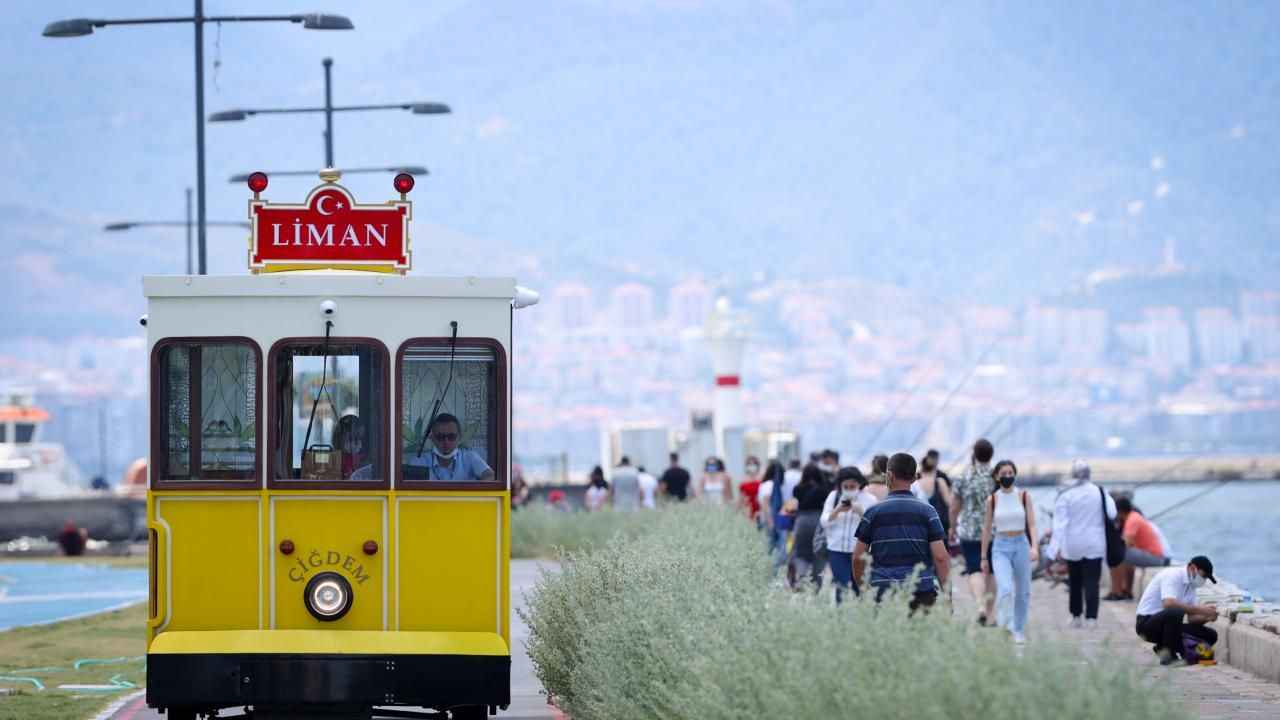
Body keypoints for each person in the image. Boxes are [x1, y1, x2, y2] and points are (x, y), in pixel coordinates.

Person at [852, 453, 950, 613]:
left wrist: (863, 589)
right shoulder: (928, 512)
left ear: (889, 476)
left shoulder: (872, 512)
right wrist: (947, 596)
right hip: (921, 589)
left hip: (883, 590)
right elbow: (940, 557)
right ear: (914, 478)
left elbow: (857, 557)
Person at [1047, 460, 1117, 628]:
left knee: (1075, 581)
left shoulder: (1066, 495)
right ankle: (1092, 618)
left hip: (1073, 545)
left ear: (1072, 474)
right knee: (1092, 581)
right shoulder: (1100, 492)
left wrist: (1052, 550)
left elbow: (1059, 524)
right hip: (1095, 543)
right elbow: (1112, 513)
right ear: (1089, 474)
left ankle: (1076, 616)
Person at [980, 460, 1038, 644]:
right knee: (1005, 587)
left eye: (1010, 473)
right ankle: (1007, 625)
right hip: (1000, 546)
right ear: (997, 477)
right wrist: (983, 557)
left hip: (1021, 544)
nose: (1007, 476)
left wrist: (1034, 547)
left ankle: (1018, 629)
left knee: (1023, 591)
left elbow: (1032, 524)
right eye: (1003, 473)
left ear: (1015, 474)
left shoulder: (1024, 496)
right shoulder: (992, 500)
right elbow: (986, 529)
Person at [1135, 556, 1220, 665]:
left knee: (1211, 635)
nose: (1203, 580)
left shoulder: (1191, 586)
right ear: (1192, 568)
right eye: (1203, 576)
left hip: (1169, 628)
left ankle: (1163, 647)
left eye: (1206, 578)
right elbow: (1168, 603)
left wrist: (1207, 617)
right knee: (1175, 611)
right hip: (1147, 624)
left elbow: (1192, 619)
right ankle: (1168, 656)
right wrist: (1201, 609)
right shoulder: (1173, 575)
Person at [950, 438, 997, 625]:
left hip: (969, 530)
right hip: (994, 530)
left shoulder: (964, 476)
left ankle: (980, 606)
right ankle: (990, 614)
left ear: (974, 454)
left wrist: (952, 527)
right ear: (991, 455)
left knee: (974, 569)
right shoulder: (996, 476)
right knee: (991, 571)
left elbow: (954, 506)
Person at [822, 467, 871, 603]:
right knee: (841, 585)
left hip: (859, 551)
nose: (849, 489)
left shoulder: (869, 499)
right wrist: (837, 510)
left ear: (859, 484)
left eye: (852, 486)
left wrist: (861, 512)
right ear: (840, 485)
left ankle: (859, 613)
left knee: (859, 587)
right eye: (845, 486)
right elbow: (824, 521)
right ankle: (840, 613)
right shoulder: (834, 497)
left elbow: (875, 526)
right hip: (836, 549)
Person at [1106, 497, 1171, 601]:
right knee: (1125, 556)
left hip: (1157, 558)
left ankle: (1117, 591)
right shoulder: (1134, 517)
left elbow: (1126, 543)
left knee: (1118, 553)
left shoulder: (1132, 520)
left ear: (1119, 511)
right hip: (1157, 557)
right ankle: (1126, 591)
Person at [411, 413, 494, 482]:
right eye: (440, 437)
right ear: (432, 438)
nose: (446, 442)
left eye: (451, 437)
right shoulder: (420, 461)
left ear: (459, 437)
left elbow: (489, 475)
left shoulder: (469, 457)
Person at [790, 464, 830, 589]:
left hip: (802, 522)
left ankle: (802, 579)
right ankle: (817, 584)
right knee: (819, 552)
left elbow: (795, 504)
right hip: (819, 522)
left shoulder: (797, 489)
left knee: (801, 553)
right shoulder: (825, 490)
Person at [912, 449, 954, 547]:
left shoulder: (916, 480)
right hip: (940, 522)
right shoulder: (941, 479)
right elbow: (949, 502)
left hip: (921, 523)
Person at [334, 414, 373, 481]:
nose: (359, 443)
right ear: (340, 439)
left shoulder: (366, 459)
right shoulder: (335, 459)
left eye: (361, 439)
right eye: (352, 439)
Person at [738, 456, 764, 523]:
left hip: (760, 505)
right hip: (748, 507)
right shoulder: (743, 479)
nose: (752, 466)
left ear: (757, 465)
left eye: (754, 464)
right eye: (749, 464)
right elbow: (741, 497)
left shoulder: (762, 477)